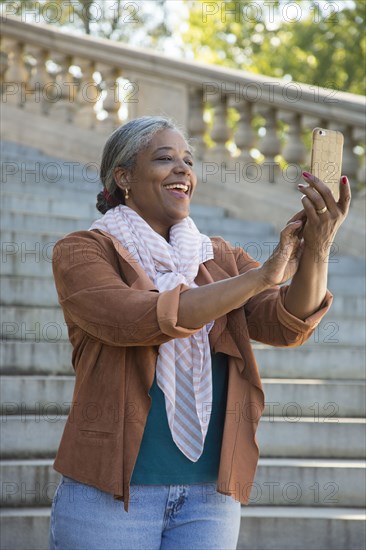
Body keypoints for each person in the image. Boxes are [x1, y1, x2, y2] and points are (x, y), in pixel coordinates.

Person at [48, 116, 350, 550]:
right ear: (124, 177)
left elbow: (286, 322)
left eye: (188, 161)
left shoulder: (218, 257)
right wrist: (263, 277)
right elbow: (137, 318)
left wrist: (319, 245)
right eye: (165, 158)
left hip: (209, 497)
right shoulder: (83, 251)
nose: (183, 169)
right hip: (109, 495)